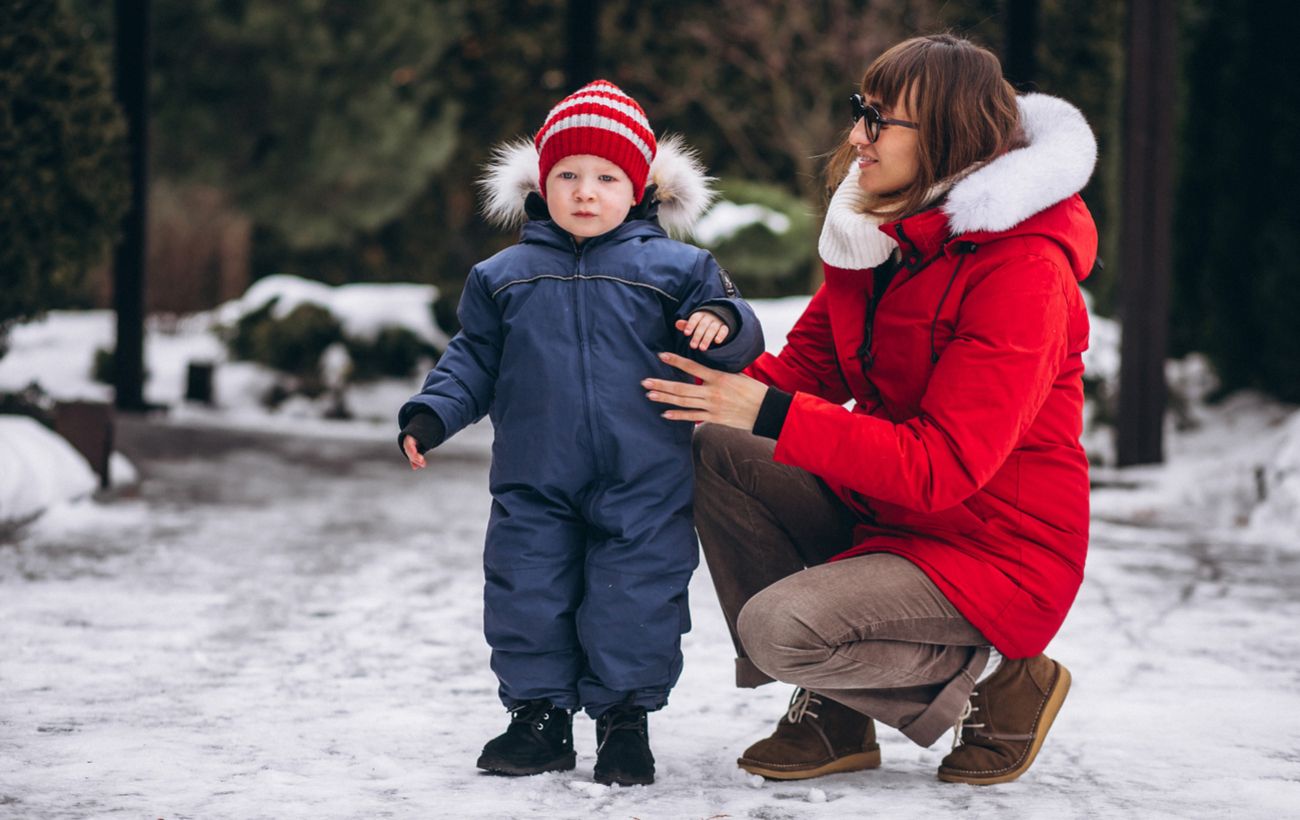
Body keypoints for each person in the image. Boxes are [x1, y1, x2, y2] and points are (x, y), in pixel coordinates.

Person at [643, 34, 1098, 786]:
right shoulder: (883, 242)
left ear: (949, 134)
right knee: (720, 449)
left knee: (777, 631)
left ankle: (1004, 677)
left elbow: (942, 467)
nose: (857, 135)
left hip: (997, 551)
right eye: (861, 110)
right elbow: (798, 375)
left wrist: (768, 411)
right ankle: (840, 706)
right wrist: (659, 384)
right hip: (893, 516)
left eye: (880, 120)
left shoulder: (1024, 271)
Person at [398, 79, 764, 787]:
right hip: (536, 475)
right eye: (567, 175)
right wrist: (432, 413)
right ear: (542, 184)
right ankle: (539, 717)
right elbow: (473, 358)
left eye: (606, 177)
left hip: (644, 476)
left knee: (637, 595)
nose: (585, 192)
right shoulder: (503, 277)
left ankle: (625, 720)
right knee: (527, 588)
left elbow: (738, 327)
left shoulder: (679, 269)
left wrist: (720, 323)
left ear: (641, 189)